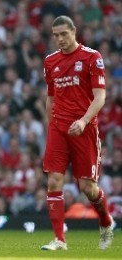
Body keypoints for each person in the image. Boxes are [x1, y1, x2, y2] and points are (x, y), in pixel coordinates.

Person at [41, 16, 113, 250]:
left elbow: (100, 97)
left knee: (88, 188)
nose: (60, 39)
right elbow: (50, 98)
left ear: (74, 31)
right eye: (56, 35)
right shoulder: (50, 61)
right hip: (58, 129)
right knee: (54, 181)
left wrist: (83, 121)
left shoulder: (92, 57)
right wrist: (51, 127)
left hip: (84, 128)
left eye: (64, 34)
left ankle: (106, 221)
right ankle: (60, 239)